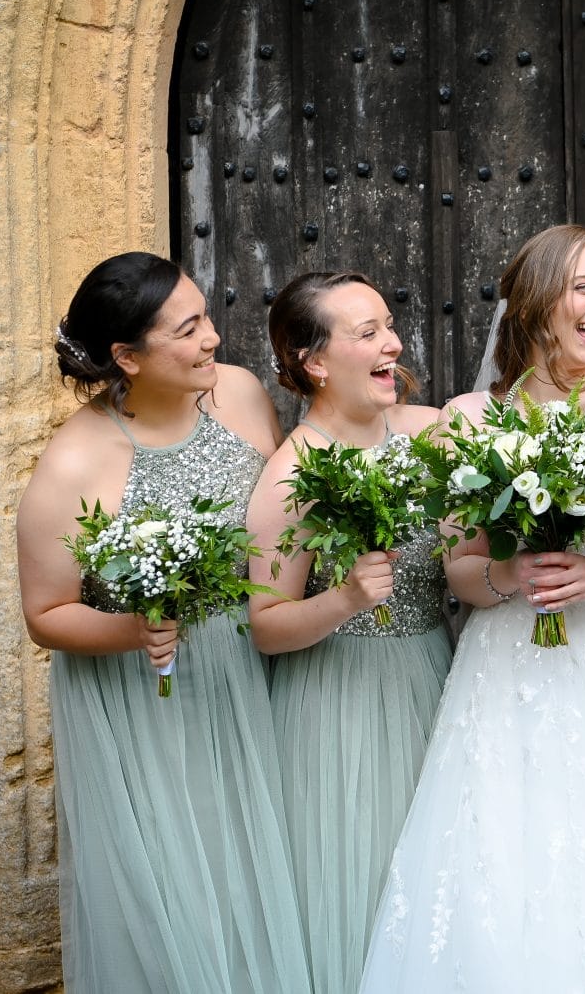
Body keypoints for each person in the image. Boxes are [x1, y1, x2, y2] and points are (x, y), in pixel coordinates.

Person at [358, 225, 585, 992]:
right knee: (501, 849)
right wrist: (512, 575)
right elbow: (462, 569)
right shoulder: (469, 417)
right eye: (584, 288)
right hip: (505, 663)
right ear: (536, 302)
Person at [15, 251, 309, 991]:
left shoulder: (240, 395)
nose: (213, 337)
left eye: (206, 316)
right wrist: (135, 630)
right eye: (189, 328)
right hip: (146, 692)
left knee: (254, 861)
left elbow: (280, 525)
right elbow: (45, 614)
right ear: (127, 357)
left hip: (247, 666)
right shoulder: (73, 464)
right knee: (177, 882)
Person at [245, 272, 452, 993]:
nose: (392, 342)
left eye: (389, 325)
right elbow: (266, 626)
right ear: (316, 362)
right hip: (340, 709)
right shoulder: (291, 475)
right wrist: (344, 598)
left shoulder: (433, 434)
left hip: (437, 682)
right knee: (365, 893)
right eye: (367, 333)